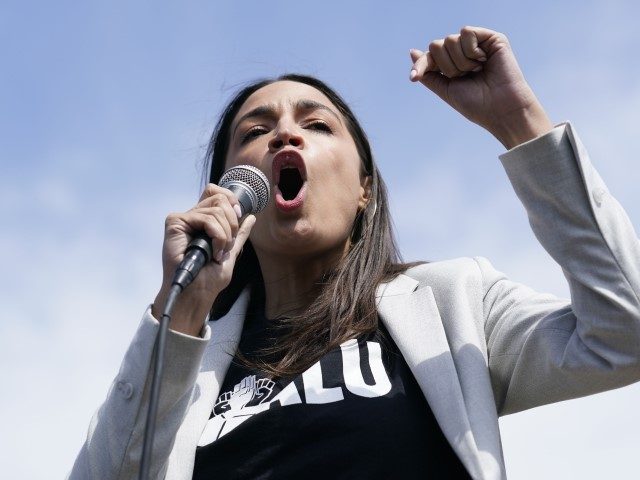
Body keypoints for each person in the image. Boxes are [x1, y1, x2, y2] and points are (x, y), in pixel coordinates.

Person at [69, 26, 640, 479]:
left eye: (316, 125)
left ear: (365, 189)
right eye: (253, 132)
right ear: (226, 191)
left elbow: (625, 331)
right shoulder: (191, 362)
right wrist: (183, 309)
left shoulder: (451, 305)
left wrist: (518, 122)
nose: (285, 137)